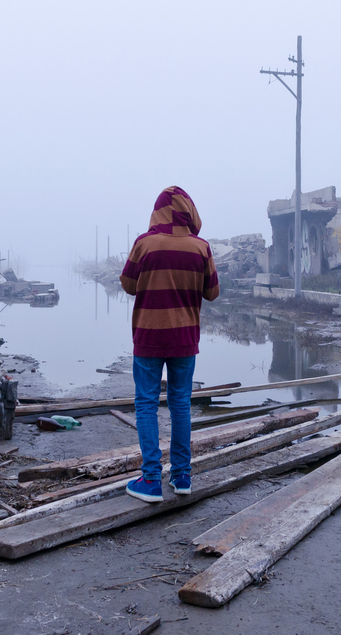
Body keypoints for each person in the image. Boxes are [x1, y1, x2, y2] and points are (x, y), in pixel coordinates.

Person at [119, 186, 219, 502]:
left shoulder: (143, 244)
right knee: (180, 403)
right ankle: (182, 476)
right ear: (190, 211)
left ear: (157, 211)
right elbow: (212, 292)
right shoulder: (201, 248)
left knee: (146, 403)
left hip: (149, 336)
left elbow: (128, 285)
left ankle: (151, 480)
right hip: (185, 338)